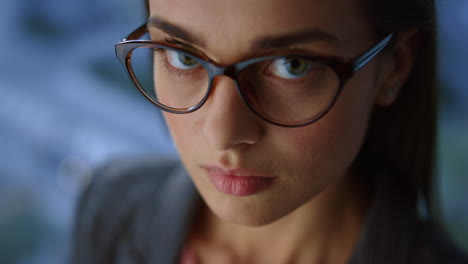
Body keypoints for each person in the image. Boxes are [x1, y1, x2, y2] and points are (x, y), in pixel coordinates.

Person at [70, 0, 468, 263]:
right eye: (183, 55)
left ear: (395, 65)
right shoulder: (112, 208)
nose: (222, 133)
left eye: (292, 65)